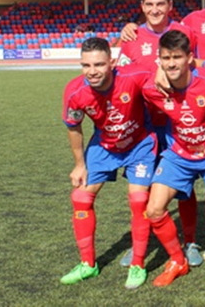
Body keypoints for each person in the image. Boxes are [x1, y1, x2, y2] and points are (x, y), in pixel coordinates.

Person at [115, 0, 203, 268]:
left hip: (177, 122)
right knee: (142, 189)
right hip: (144, 126)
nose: (155, 10)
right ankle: (141, 243)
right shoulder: (132, 37)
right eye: (149, 4)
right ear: (142, 6)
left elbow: (197, 68)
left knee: (184, 187)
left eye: (160, 4)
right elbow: (123, 79)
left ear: (170, 6)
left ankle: (190, 241)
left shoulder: (184, 33)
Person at [142, 30, 205, 288]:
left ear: (189, 58)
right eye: (166, 58)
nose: (171, 63)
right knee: (154, 209)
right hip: (178, 155)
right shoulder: (151, 88)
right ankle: (177, 261)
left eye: (177, 57)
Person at [61, 37, 156, 289]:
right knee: (80, 198)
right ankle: (88, 264)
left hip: (140, 144)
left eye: (99, 64)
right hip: (104, 145)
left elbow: (166, 79)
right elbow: (74, 127)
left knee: (139, 200)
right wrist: (79, 164)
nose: (92, 71)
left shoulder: (135, 75)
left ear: (112, 63)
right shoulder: (75, 91)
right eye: (86, 65)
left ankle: (137, 264)